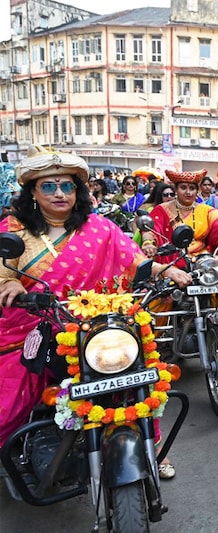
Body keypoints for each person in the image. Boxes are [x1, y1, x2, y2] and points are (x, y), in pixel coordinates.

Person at [0, 147, 190, 446]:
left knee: (137, 376)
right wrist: (9, 285)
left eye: (67, 186)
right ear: (33, 193)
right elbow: (3, 274)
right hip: (34, 326)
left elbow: (134, 260)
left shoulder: (100, 228)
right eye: (49, 186)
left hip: (98, 328)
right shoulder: (14, 230)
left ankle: (148, 448)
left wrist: (165, 271)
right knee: (8, 401)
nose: (59, 193)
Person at [139, 169, 218, 373]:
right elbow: (150, 231)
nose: (188, 192)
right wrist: (148, 243)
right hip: (172, 263)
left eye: (192, 188)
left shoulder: (206, 211)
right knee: (157, 303)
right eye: (183, 188)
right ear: (175, 189)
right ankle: (152, 352)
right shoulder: (162, 210)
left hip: (203, 265)